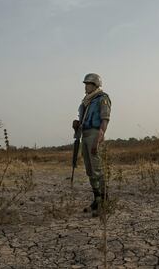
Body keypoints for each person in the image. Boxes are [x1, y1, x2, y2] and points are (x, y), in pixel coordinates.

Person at [72, 73, 111, 217]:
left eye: (88, 84)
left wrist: (99, 139)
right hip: (85, 134)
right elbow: (82, 119)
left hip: (95, 134)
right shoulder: (85, 102)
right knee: (89, 170)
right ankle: (97, 199)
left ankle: (104, 202)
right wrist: (77, 124)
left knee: (97, 169)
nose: (85, 87)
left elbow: (105, 120)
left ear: (94, 85)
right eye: (85, 84)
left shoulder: (102, 98)